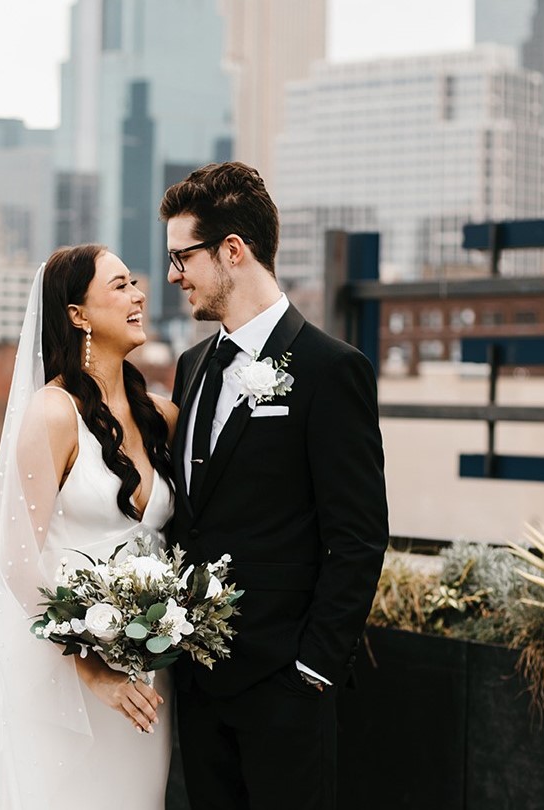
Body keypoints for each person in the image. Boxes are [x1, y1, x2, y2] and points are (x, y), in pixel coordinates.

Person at [160, 162, 388, 810]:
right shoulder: (191, 367)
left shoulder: (330, 369)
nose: (175, 275)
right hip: (197, 689)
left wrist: (313, 669)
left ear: (233, 251)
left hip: (284, 689)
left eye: (183, 257)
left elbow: (360, 534)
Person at [0, 244, 179, 809]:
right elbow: (14, 561)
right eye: (119, 285)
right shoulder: (52, 413)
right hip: (66, 679)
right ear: (77, 314)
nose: (138, 295)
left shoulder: (164, 417)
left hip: (147, 680)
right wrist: (92, 668)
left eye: (135, 282)